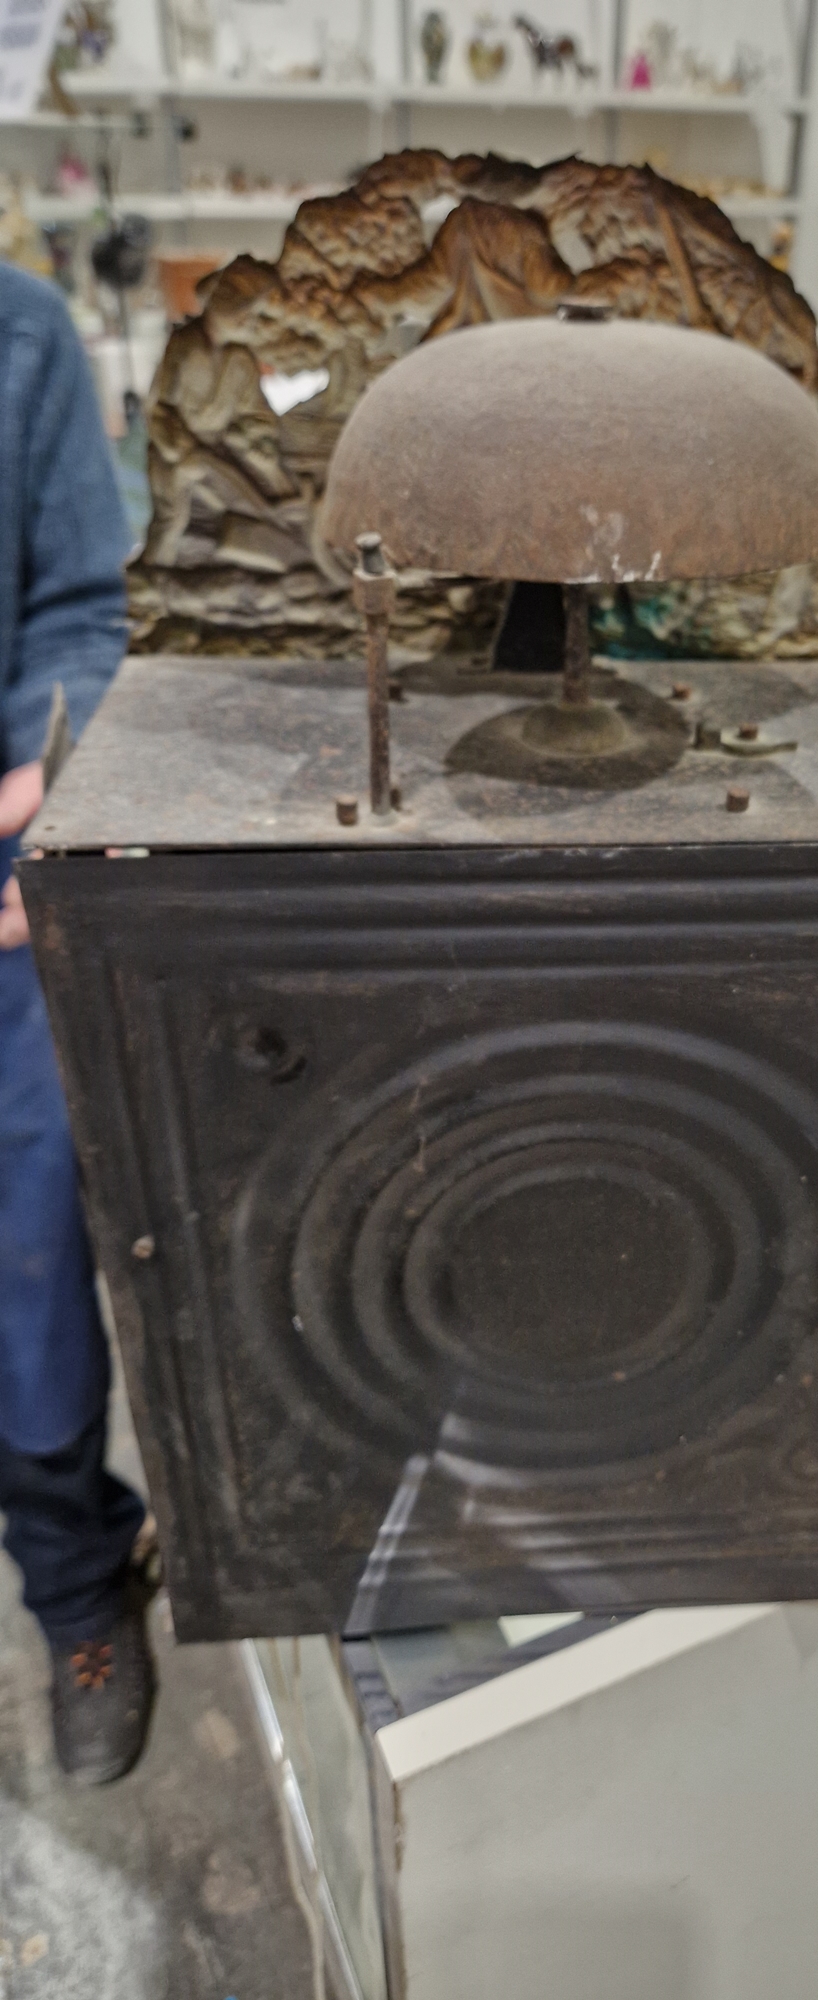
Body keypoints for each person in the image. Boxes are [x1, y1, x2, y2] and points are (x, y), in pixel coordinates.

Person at [0, 263, 155, 1785]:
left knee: (27, 1289)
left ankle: (76, 1585)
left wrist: (55, 774)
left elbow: (76, 613)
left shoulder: (19, 336)